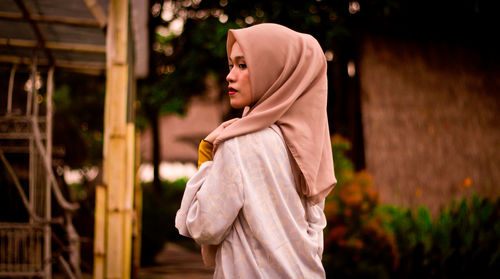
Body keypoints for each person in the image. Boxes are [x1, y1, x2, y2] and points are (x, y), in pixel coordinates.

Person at [175, 23, 336, 278]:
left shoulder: (240, 144)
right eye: (230, 65)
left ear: (273, 71)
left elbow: (204, 226)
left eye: (243, 65)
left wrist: (207, 163)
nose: (230, 75)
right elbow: (314, 229)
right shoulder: (308, 147)